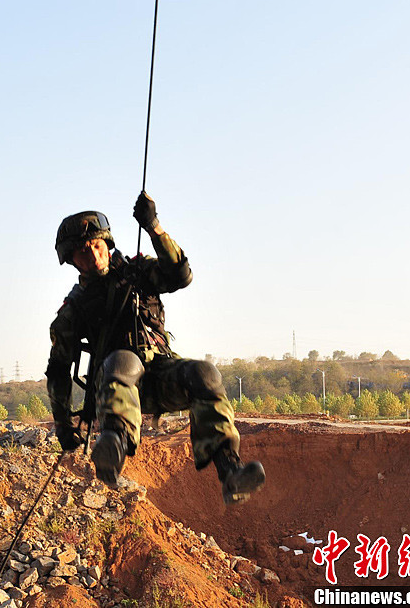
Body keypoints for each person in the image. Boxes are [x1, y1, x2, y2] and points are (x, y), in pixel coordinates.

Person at [45, 193, 265, 504]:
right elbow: (58, 370)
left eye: (97, 245)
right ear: (72, 260)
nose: (93, 254)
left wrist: (153, 226)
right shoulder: (74, 308)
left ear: (107, 243)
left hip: (159, 377)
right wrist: (63, 426)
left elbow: (180, 275)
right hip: (116, 386)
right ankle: (113, 448)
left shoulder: (137, 272)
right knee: (123, 361)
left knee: (204, 373)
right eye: (83, 251)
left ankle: (231, 472)